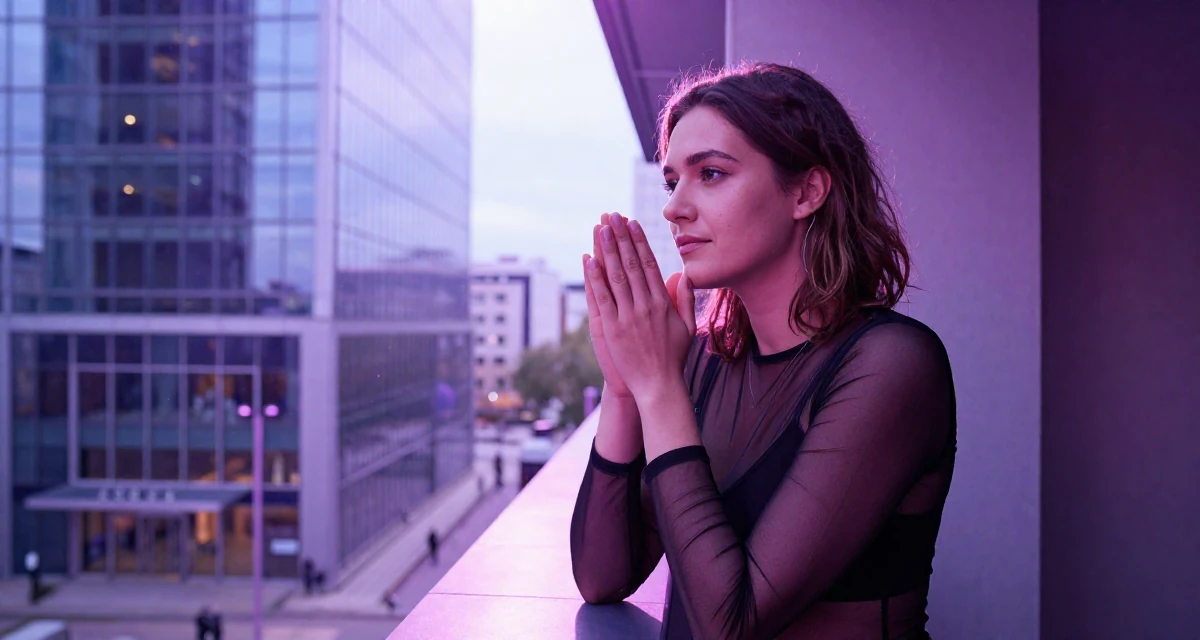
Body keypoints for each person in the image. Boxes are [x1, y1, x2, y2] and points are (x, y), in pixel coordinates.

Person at [569, 63, 956, 640]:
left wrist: (659, 386)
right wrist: (627, 388)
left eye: (713, 174)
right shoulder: (705, 362)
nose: (675, 207)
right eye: (673, 181)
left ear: (806, 192)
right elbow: (603, 577)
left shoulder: (893, 367)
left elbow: (732, 622)